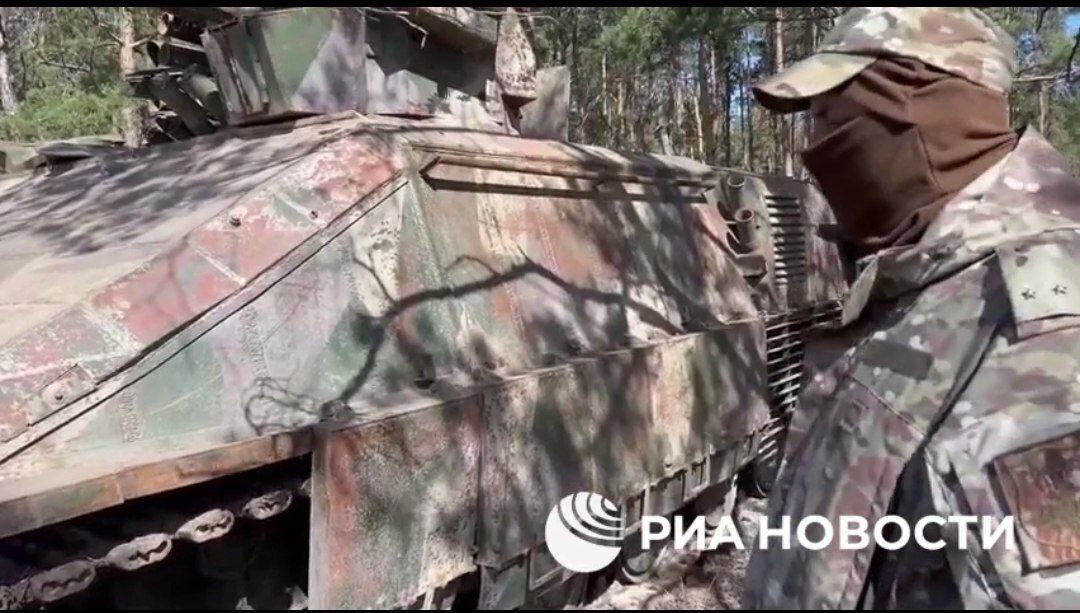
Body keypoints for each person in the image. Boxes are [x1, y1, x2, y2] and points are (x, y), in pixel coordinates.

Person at [744, 7, 1080, 609]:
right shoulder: (936, 277)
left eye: (827, 117)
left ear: (921, 109)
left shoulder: (1046, 327)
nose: (812, 148)